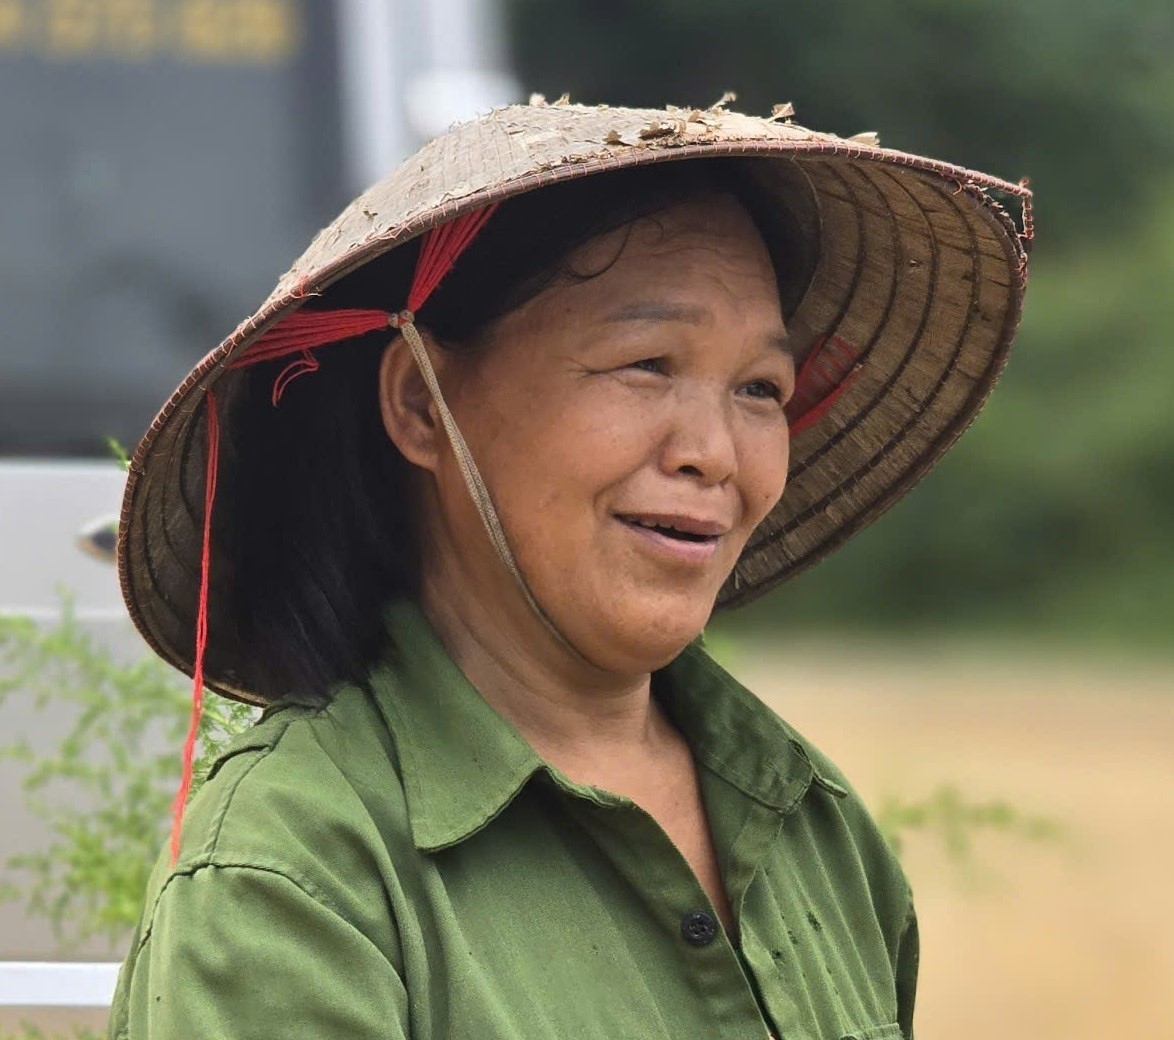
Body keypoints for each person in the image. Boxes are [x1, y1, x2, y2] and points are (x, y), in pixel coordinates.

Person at [108, 100, 1031, 1040]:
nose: (714, 453)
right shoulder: (293, 874)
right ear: (421, 404)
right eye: (647, 363)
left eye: (760, 388)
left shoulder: (813, 825)